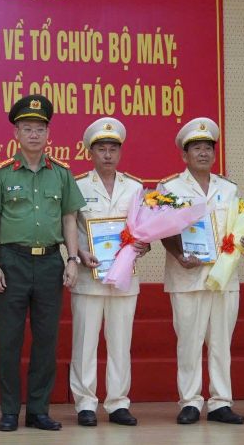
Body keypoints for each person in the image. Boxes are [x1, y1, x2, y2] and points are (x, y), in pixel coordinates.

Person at [0, 94, 84, 432]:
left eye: (39, 129)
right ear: (16, 134)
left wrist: (72, 259)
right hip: (12, 262)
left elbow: (69, 219)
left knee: (46, 340)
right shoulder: (0, 173)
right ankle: (9, 411)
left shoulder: (62, 174)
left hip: (51, 262)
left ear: (48, 133)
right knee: (9, 340)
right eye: (27, 129)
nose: (34, 134)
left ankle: (38, 411)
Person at [158, 117, 244, 425]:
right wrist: (179, 254)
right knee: (189, 342)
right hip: (186, 276)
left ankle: (220, 402)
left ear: (214, 154)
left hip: (224, 276)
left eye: (208, 148)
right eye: (196, 148)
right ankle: (190, 401)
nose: (203, 153)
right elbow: (162, 230)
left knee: (221, 342)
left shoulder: (229, 188)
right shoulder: (169, 188)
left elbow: (240, 227)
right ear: (184, 155)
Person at [70, 117, 145, 428]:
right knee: (85, 343)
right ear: (90, 152)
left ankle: (118, 403)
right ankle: (85, 404)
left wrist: (142, 245)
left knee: (120, 343)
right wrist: (78, 253)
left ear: (120, 152)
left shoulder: (135, 187)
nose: (108, 154)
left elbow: (144, 228)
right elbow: (67, 227)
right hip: (89, 277)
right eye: (101, 149)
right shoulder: (77, 185)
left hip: (124, 278)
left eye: (113, 149)